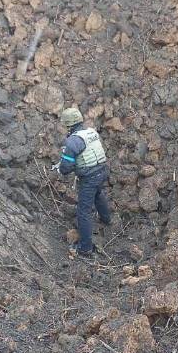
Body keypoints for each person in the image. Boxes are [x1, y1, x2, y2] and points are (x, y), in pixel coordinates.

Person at [55, 106, 111, 258]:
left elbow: (66, 168)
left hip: (89, 178)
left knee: (83, 211)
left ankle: (85, 248)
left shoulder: (72, 142)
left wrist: (61, 168)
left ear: (68, 125)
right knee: (99, 194)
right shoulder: (91, 132)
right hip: (102, 171)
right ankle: (107, 219)